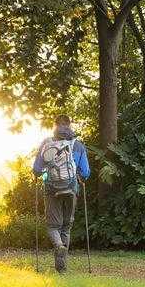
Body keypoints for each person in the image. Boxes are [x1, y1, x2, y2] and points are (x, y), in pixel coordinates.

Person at [32, 114, 90, 273]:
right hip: (71, 188)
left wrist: (42, 173)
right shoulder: (78, 145)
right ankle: (62, 269)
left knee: (52, 226)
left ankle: (58, 246)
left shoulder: (47, 143)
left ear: (55, 125)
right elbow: (85, 173)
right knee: (66, 227)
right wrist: (79, 177)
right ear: (70, 126)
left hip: (52, 189)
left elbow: (37, 170)